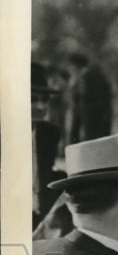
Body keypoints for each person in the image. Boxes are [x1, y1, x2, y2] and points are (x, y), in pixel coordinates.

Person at [32, 62, 65, 226]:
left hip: (40, 216)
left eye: (45, 100)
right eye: (32, 99)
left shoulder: (49, 134)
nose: (41, 106)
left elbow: (45, 176)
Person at [67, 51, 112, 144]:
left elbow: (87, 97)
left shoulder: (89, 76)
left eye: (72, 66)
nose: (70, 69)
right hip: (95, 116)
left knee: (94, 141)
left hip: (95, 117)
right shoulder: (89, 75)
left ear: (77, 66)